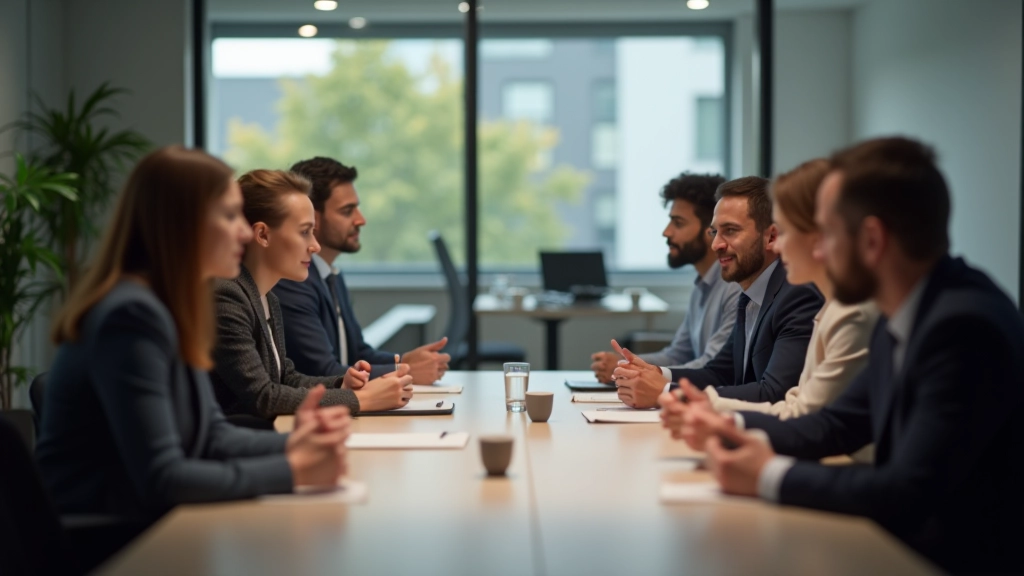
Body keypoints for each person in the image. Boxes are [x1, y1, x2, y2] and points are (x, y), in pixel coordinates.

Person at [677, 137, 1024, 574]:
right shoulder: (906, 309)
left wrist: (767, 476)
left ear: (873, 240)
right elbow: (837, 423)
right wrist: (732, 426)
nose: (815, 251)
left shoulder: (963, 327)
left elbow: (908, 491)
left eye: (827, 235)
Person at [36, 147, 349, 521]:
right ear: (184, 223)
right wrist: (293, 470)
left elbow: (211, 434)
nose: (245, 230)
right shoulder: (132, 316)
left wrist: (292, 445)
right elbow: (163, 478)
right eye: (230, 215)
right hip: (112, 543)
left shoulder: (170, 307)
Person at [661, 159, 878, 461]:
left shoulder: (842, 308)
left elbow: (804, 416)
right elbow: (794, 405)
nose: (777, 246)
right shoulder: (828, 305)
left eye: (785, 232)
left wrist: (712, 410)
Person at [210, 169, 412, 422]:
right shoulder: (227, 296)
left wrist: (342, 384)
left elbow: (286, 378)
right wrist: (362, 399)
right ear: (262, 234)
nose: (315, 246)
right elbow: (264, 396)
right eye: (305, 232)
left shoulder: (266, 296)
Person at [613, 176, 823, 409]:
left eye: (730, 231)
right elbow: (719, 373)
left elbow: (775, 392)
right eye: (714, 233)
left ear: (771, 237)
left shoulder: (797, 295)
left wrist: (665, 392)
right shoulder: (751, 294)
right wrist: (656, 373)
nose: (716, 245)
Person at [273, 157, 450, 385]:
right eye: (347, 211)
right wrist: (405, 371)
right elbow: (324, 371)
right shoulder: (292, 281)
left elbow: (357, 353)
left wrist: (403, 362)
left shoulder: (331, 275)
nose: (361, 220)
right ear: (312, 217)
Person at [590, 173, 740, 383]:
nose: (666, 232)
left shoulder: (735, 288)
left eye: (678, 223)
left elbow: (711, 366)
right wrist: (625, 364)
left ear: (711, 231)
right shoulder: (701, 285)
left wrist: (638, 372)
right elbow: (677, 354)